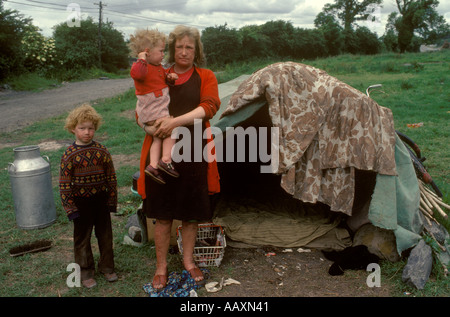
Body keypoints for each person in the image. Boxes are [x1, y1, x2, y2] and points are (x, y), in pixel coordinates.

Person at [135, 25, 221, 291]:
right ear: (172, 49)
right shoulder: (158, 72)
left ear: (197, 51)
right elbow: (142, 108)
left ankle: (189, 261)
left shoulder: (205, 75)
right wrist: (150, 127)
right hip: (161, 153)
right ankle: (161, 267)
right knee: (162, 215)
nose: (184, 52)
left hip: (194, 151)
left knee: (191, 215)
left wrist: (175, 122)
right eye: (180, 47)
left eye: (190, 47)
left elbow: (210, 107)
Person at [59, 103, 118, 289]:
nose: (87, 132)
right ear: (72, 129)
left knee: (105, 236)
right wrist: (70, 208)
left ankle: (107, 267)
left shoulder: (101, 151)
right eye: (82, 128)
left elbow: (111, 177)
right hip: (81, 204)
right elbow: (64, 184)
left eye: (91, 128)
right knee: (82, 239)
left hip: (100, 201)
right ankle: (85, 272)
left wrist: (111, 201)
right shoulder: (69, 155)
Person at [129, 29, 179, 185]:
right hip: (153, 108)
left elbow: (163, 79)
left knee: (157, 137)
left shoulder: (158, 67)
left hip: (155, 109)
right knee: (173, 129)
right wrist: (141, 59)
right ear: (147, 52)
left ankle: (153, 165)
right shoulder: (141, 67)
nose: (163, 54)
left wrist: (170, 78)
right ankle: (166, 160)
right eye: (161, 51)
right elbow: (137, 74)